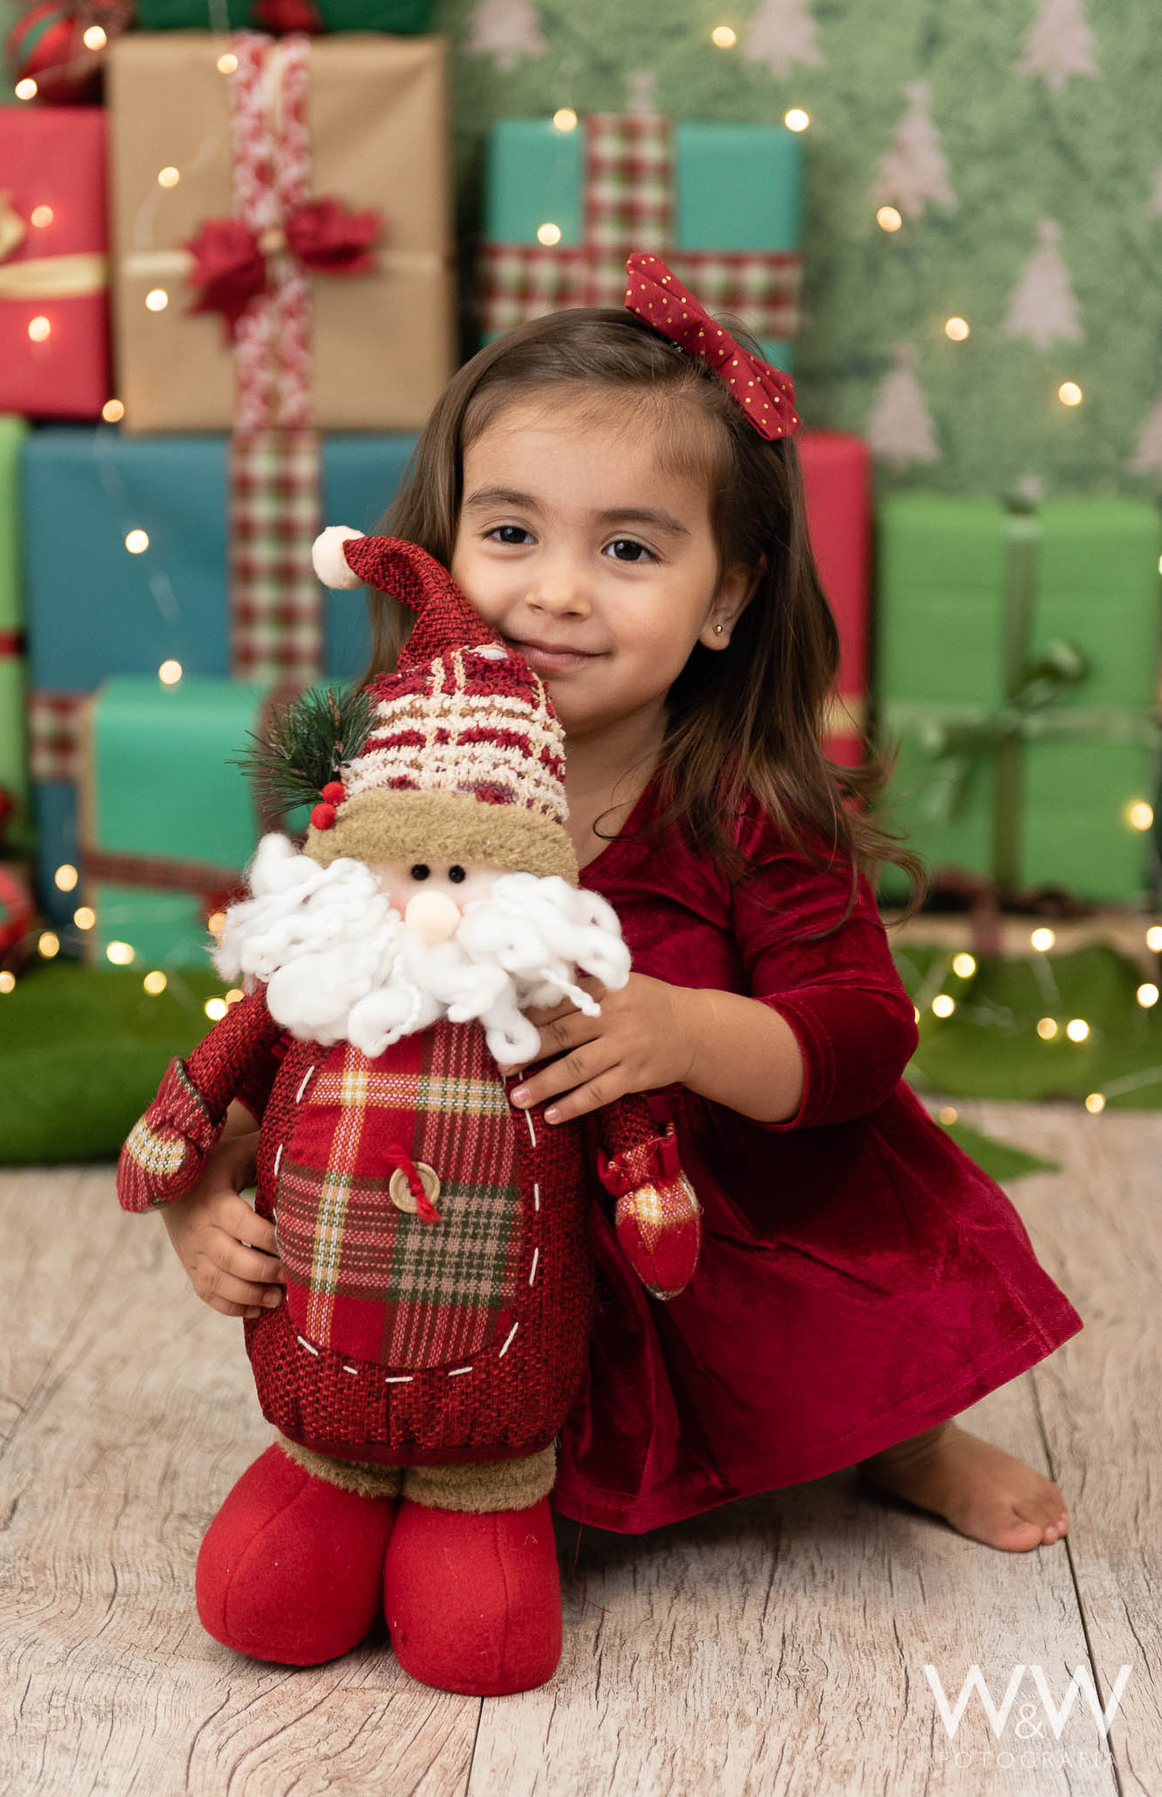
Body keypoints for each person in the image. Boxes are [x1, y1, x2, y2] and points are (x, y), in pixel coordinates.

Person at [161, 253, 1080, 1557]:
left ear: (725, 596)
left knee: (851, 1330)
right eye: (512, 532)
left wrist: (686, 1032)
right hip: (464, 1218)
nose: (558, 589)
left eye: (630, 547)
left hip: (718, 1202)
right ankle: (426, 1453)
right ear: (439, 550)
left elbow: (863, 1035)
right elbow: (295, 1006)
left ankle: (908, 1440)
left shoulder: (749, 805)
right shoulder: (397, 774)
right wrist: (210, 1199)